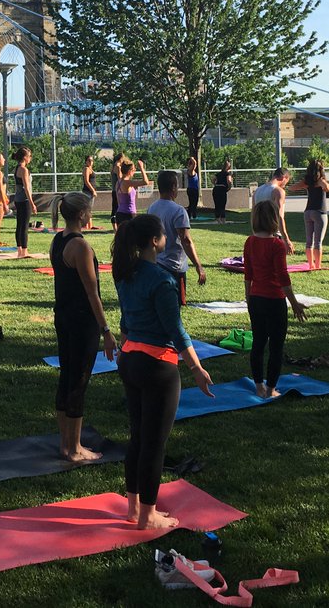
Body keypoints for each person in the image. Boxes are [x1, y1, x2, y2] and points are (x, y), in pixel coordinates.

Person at [113, 214, 213, 530]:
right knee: (154, 444)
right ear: (156, 241)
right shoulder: (162, 279)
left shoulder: (125, 273)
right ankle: (147, 516)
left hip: (130, 361)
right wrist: (197, 368)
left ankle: (133, 508)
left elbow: (126, 325)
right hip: (157, 367)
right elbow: (176, 331)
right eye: (163, 235)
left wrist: (125, 354)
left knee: (138, 438)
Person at [50, 192, 115, 461]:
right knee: (78, 380)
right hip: (81, 321)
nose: (91, 216)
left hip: (64, 316)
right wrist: (107, 331)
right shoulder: (81, 247)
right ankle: (74, 449)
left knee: (67, 376)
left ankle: (66, 444)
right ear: (80, 215)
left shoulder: (58, 240)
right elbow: (92, 293)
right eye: (89, 211)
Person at [244, 201, 308, 398]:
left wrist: (249, 299)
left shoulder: (250, 242)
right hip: (273, 301)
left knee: (258, 343)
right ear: (274, 219)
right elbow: (283, 279)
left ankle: (258, 386)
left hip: (256, 299)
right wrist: (295, 303)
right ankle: (270, 389)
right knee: (276, 346)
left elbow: (248, 275)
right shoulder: (276, 245)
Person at [147, 170, 206, 305]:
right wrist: (198, 265)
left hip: (156, 264)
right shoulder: (178, 210)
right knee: (175, 306)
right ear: (173, 187)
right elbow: (186, 240)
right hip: (174, 267)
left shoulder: (151, 208)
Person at [252, 167, 295, 251]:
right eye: (286, 182)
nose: (285, 185)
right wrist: (286, 240)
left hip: (259, 234)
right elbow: (279, 216)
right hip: (273, 235)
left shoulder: (257, 191)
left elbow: (253, 214)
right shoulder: (278, 191)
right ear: (284, 178)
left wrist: (254, 233)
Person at [300, 160, 329, 270]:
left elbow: (292, 187)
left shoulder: (307, 181)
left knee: (309, 241)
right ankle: (318, 265)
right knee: (318, 242)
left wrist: (306, 185)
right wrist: (321, 182)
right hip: (320, 212)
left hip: (307, 212)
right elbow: (328, 188)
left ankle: (310, 264)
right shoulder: (321, 180)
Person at [13, 146, 38, 259]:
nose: (30, 158)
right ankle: (24, 251)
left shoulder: (17, 168)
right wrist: (32, 203)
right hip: (24, 200)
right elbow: (27, 188)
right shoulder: (24, 170)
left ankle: (19, 250)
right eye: (29, 156)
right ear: (24, 157)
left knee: (20, 225)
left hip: (18, 200)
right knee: (24, 226)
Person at [113, 158, 150, 225]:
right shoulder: (127, 182)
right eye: (133, 169)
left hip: (119, 213)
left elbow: (119, 201)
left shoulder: (118, 182)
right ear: (129, 171)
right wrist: (142, 168)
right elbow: (145, 182)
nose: (135, 171)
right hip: (129, 214)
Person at [211, 158, 234, 223]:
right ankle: (223, 219)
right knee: (222, 204)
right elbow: (229, 181)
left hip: (216, 189)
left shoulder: (218, 174)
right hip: (222, 189)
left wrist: (215, 184)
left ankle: (218, 218)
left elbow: (213, 179)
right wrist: (229, 187)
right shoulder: (227, 174)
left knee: (217, 204)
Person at [81, 154, 98, 229]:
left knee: (89, 209)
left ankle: (90, 225)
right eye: (89, 160)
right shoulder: (86, 169)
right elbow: (86, 181)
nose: (91, 162)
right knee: (87, 209)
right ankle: (87, 225)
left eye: (92, 160)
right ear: (86, 162)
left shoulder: (91, 169)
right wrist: (93, 190)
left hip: (90, 192)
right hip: (87, 192)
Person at [110, 153, 125, 231]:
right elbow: (120, 179)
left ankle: (115, 228)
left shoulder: (112, 167)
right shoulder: (118, 167)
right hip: (118, 191)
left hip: (114, 190)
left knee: (114, 209)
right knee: (117, 209)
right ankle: (117, 228)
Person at [185, 155, 200, 221]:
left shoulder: (193, 171)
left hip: (195, 189)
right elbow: (194, 163)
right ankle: (190, 215)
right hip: (191, 190)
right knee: (192, 203)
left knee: (195, 203)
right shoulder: (190, 171)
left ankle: (193, 215)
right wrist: (192, 159)